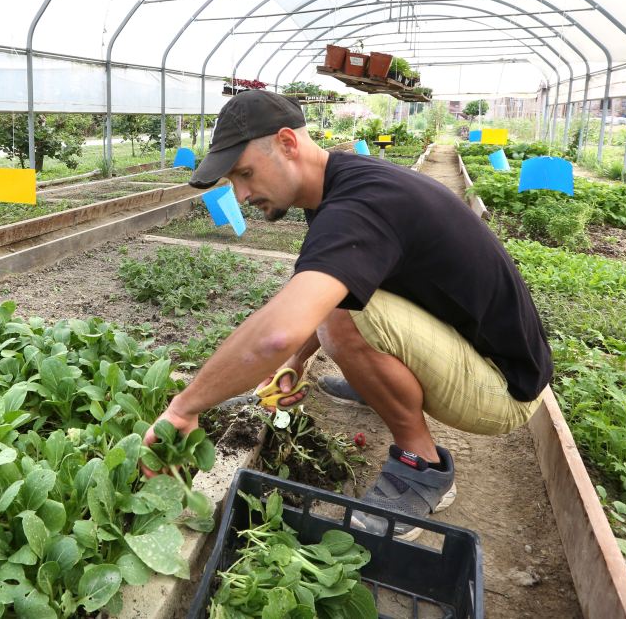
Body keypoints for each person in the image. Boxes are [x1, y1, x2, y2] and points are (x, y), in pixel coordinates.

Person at [143, 90, 552, 539]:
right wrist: (296, 361)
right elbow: (299, 331)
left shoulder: (357, 208)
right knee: (332, 301)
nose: (240, 194)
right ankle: (382, 386)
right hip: (478, 351)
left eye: (244, 173)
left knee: (339, 317)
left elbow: (277, 333)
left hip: (501, 390)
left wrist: (184, 408)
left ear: (286, 143)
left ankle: (422, 466)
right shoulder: (346, 185)